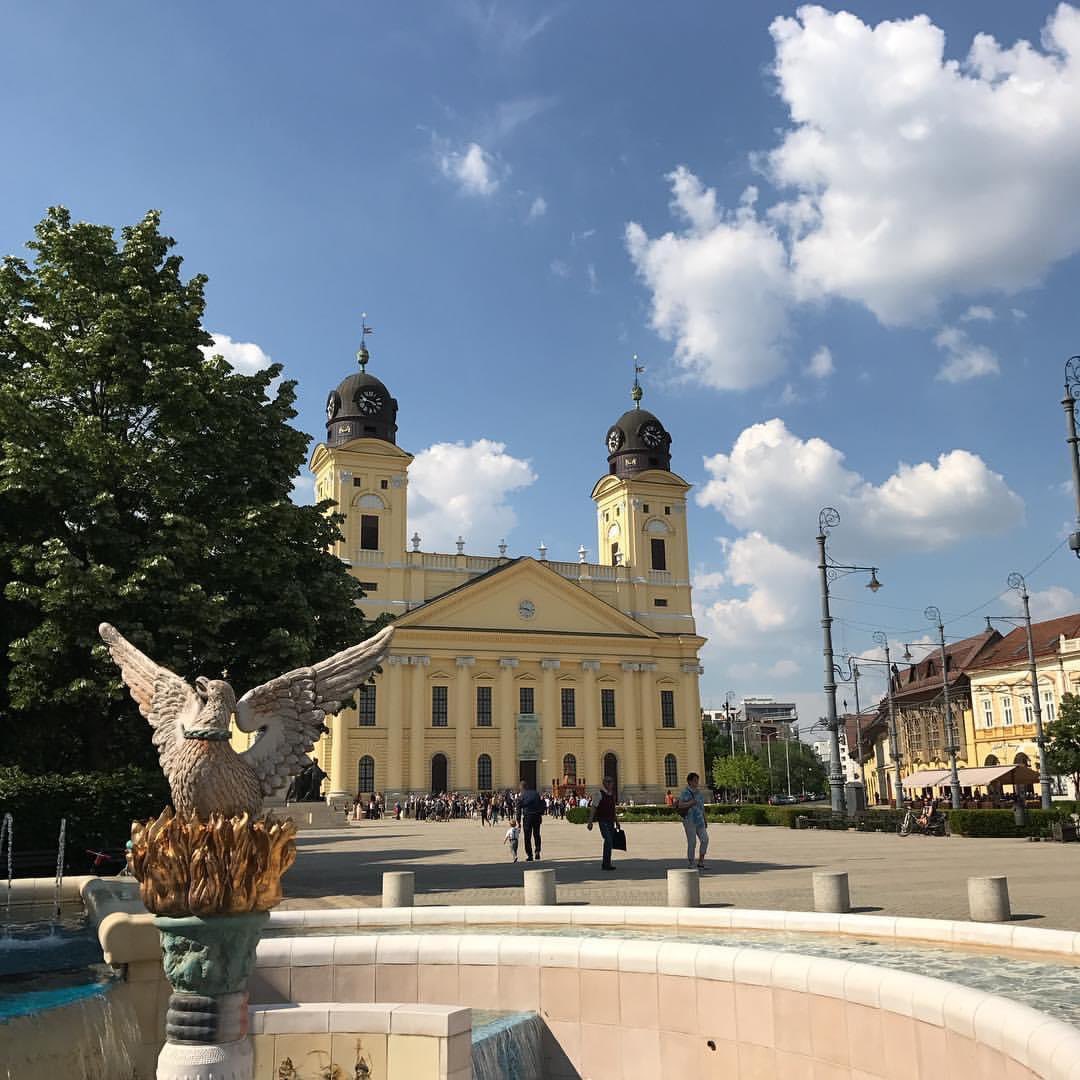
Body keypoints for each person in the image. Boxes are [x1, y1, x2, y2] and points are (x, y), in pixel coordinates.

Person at [586, 775, 619, 870]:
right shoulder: (599, 794)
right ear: (604, 783)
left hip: (610, 821)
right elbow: (593, 808)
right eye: (608, 782)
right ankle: (606, 864)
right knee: (608, 840)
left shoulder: (611, 795)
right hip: (603, 821)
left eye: (611, 782)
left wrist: (617, 821)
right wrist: (590, 821)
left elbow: (613, 810)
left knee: (609, 842)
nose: (610, 783)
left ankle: (607, 863)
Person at [677, 772, 708, 871]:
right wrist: (691, 802)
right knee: (692, 842)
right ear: (690, 781)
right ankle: (691, 862)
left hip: (700, 820)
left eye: (697, 780)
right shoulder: (685, 792)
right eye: (695, 780)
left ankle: (701, 861)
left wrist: (705, 819)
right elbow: (680, 805)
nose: (697, 782)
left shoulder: (699, 792)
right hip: (689, 821)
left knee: (705, 839)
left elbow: (701, 807)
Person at [517, 779, 544, 862]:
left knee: (527, 837)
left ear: (522, 788)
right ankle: (537, 851)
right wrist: (540, 813)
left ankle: (530, 855)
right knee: (537, 834)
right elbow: (541, 804)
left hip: (528, 817)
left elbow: (518, 810)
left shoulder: (522, 796)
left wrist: (518, 822)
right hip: (537, 816)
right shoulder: (536, 793)